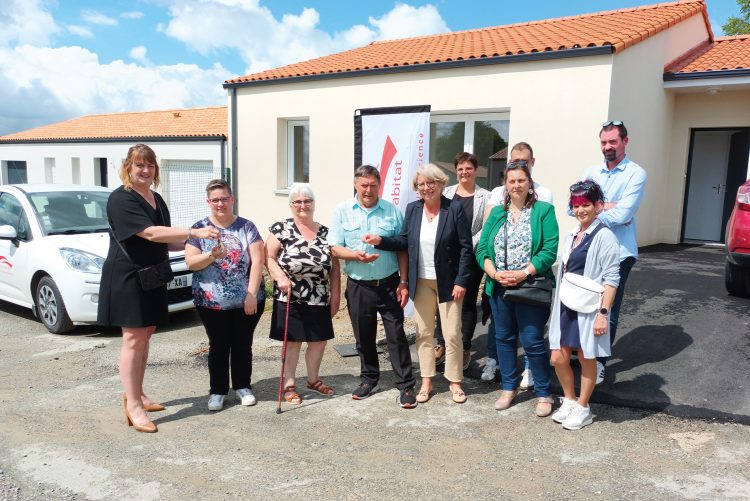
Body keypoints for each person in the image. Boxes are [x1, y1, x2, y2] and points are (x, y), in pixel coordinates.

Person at [98, 144, 220, 433]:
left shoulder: (156, 198)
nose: (145, 170)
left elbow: (165, 240)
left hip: (152, 276)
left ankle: (137, 393)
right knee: (133, 339)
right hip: (128, 277)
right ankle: (133, 405)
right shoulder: (121, 199)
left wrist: (203, 243)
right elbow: (150, 233)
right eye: (139, 165)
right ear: (128, 167)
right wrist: (194, 232)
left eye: (150, 165)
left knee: (146, 335)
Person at [364, 163, 472, 404]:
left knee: (452, 333)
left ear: (441, 184)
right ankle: (426, 380)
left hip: (449, 282)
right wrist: (381, 241)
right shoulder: (413, 210)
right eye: (421, 184)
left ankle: (454, 382)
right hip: (420, 281)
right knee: (423, 333)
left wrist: (461, 280)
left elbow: (466, 248)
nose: (426, 187)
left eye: (430, 182)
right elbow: (403, 241)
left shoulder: (454, 209)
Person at [329, 165, 417, 408]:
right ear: (356, 184)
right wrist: (356, 256)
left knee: (396, 335)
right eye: (364, 185)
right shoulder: (342, 211)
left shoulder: (392, 211)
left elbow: (402, 246)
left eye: (373, 185)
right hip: (358, 284)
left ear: (380, 185)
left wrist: (403, 281)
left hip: (389, 283)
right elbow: (335, 247)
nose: (368, 190)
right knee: (363, 335)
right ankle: (369, 379)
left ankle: (406, 385)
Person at [476, 160, 559, 416]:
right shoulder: (497, 214)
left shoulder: (543, 211)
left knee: (533, 341)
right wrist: (495, 274)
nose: (516, 185)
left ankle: (544, 393)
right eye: (511, 181)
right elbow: (482, 249)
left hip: (530, 286)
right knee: (504, 339)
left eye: (521, 180)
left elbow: (549, 250)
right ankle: (509, 388)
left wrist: (523, 273)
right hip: (499, 288)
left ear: (529, 183)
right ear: (505, 185)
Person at [185, 179, 266, 411]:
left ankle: (243, 386)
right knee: (218, 346)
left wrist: (251, 293)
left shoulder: (246, 227)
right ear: (208, 202)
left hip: (246, 301)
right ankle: (218, 391)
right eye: (215, 200)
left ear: (232, 200)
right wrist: (211, 255)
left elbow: (258, 260)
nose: (220, 204)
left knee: (242, 344)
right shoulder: (200, 228)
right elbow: (191, 262)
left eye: (224, 199)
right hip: (211, 302)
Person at [549, 180, 619, 430]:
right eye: (576, 205)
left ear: (598, 206)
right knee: (558, 357)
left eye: (586, 205)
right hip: (566, 305)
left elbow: (612, 279)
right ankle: (569, 400)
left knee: (587, 356)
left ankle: (583, 407)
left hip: (589, 308)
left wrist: (603, 313)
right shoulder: (571, 235)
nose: (581, 210)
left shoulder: (605, 236)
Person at [580, 120, 647, 384]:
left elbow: (625, 213)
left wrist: (593, 209)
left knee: (608, 309)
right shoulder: (591, 172)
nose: (607, 147)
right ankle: (584, 351)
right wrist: (608, 206)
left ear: (625, 142)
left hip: (620, 252)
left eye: (613, 142)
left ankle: (599, 362)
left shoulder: (636, 173)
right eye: (603, 142)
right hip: (589, 249)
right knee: (585, 304)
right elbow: (571, 207)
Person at [265, 183, 340, 405]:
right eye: (297, 201)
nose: (302, 205)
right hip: (290, 296)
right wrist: (279, 277)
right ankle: (289, 385)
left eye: (307, 201)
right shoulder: (280, 228)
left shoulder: (327, 233)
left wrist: (335, 298)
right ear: (291, 205)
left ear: (314, 204)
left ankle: (313, 380)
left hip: (319, 296)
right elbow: (269, 257)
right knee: (292, 341)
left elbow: (335, 269)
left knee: (319, 341)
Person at [433, 152, 491, 371]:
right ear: (455, 171)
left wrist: (465, 243)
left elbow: (485, 229)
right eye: (460, 168)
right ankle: (442, 343)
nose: (464, 172)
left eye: (469, 168)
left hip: (471, 256)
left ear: (475, 170)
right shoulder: (445, 193)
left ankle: (465, 346)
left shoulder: (485, 197)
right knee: (443, 300)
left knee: (467, 302)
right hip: (446, 257)